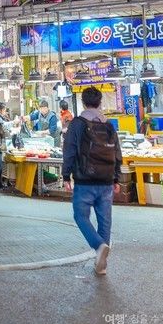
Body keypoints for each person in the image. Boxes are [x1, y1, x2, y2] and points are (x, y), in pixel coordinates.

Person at [62, 86, 122, 276]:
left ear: (83, 102)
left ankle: (98, 246)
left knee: (80, 216)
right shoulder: (108, 124)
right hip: (106, 180)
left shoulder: (77, 124)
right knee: (105, 220)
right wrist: (116, 177)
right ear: (100, 102)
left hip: (85, 180)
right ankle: (101, 264)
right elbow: (117, 152)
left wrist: (66, 175)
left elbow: (69, 150)